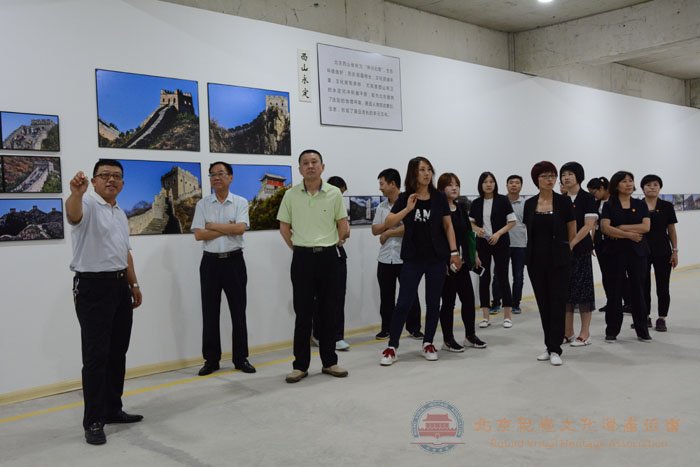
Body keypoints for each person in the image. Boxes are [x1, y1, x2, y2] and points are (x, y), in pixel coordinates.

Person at [66, 159, 144, 445]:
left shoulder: (120, 213)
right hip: (93, 287)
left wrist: (133, 284)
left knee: (117, 352)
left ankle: (112, 409)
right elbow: (73, 215)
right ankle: (94, 421)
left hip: (119, 285)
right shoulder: (86, 203)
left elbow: (125, 253)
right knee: (96, 357)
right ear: (95, 181)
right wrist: (75, 193)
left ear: (122, 183)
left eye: (117, 176)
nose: (111, 180)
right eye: (105, 175)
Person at [379, 157, 462, 366]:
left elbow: (448, 226)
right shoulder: (406, 197)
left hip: (436, 258)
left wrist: (453, 252)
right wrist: (407, 208)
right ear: (413, 173)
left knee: (433, 303)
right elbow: (388, 222)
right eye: (422, 170)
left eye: (429, 169)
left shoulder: (439, 197)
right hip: (412, 258)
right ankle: (392, 346)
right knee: (403, 303)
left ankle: (428, 343)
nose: (426, 173)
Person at [277, 149, 350, 383]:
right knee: (303, 314)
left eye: (314, 162)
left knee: (329, 311)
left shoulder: (334, 193)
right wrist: (300, 248)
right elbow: (284, 228)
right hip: (302, 259)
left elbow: (343, 225)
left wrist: (333, 243)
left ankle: (330, 362)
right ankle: (300, 366)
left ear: (322, 167)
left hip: (329, 258)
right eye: (305, 163)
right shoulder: (290, 195)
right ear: (300, 169)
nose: (310, 166)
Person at [192, 162, 255, 376]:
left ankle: (241, 358)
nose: (216, 178)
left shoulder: (240, 202)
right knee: (210, 312)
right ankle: (211, 360)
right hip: (210, 263)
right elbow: (199, 234)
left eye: (220, 173)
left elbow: (241, 229)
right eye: (212, 175)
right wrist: (228, 228)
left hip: (234, 262)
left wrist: (212, 226)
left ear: (230, 177)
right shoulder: (203, 204)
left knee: (238, 312)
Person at [523, 162, 575, 366]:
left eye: (553, 175)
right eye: (545, 176)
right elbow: (529, 232)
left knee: (557, 303)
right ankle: (549, 345)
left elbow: (572, 230)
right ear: (536, 179)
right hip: (535, 260)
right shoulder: (530, 204)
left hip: (559, 260)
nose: (550, 179)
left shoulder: (563, 201)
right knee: (543, 304)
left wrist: (567, 251)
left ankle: (556, 348)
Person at [600, 171, 652, 343]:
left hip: (638, 252)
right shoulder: (609, 205)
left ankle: (642, 330)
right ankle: (612, 330)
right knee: (614, 292)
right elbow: (605, 228)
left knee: (638, 291)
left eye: (630, 180)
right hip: (615, 253)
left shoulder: (640, 204)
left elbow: (646, 227)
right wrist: (629, 234)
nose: (628, 184)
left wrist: (621, 228)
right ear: (616, 185)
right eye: (624, 181)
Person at [437, 172, 487, 351]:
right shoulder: (438, 210)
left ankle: (470, 336)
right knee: (448, 302)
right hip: (447, 264)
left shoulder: (461, 208)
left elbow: (467, 234)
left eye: (456, 184)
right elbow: (437, 239)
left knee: (468, 300)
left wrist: (475, 255)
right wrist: (445, 261)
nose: (454, 188)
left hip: (462, 263)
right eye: (450, 185)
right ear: (441, 188)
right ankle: (448, 340)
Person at [371, 168, 423, 340]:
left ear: (392, 184)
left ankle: (414, 328)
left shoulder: (410, 202)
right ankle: (387, 328)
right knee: (386, 296)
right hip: (385, 258)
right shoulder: (381, 207)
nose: (380, 188)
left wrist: (387, 232)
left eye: (382, 184)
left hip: (405, 257)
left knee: (410, 295)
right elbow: (374, 229)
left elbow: (411, 227)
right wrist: (391, 224)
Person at [469, 172, 516, 328]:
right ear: (480, 185)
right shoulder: (476, 203)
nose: (489, 184)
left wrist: (498, 234)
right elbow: (470, 223)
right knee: (484, 278)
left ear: (495, 184)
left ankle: (507, 316)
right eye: (485, 182)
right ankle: (485, 317)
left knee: (502, 277)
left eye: (491, 181)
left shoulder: (503, 200)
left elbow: (512, 222)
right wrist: (477, 229)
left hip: (501, 242)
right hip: (483, 244)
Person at [560, 162, 598, 347]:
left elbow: (589, 225)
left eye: (570, 174)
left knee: (583, 292)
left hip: (581, 250)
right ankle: (568, 332)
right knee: (565, 292)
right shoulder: (561, 199)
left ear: (578, 176)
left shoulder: (587, 198)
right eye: (563, 174)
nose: (566, 177)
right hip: (563, 252)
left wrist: (572, 243)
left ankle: (585, 333)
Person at [312, 175, 351, 350]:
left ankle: (336, 336)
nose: (341, 196)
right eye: (340, 193)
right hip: (320, 255)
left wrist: (338, 233)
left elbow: (346, 232)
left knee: (338, 297)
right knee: (320, 298)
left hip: (337, 254)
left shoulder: (339, 207)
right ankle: (319, 334)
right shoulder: (319, 206)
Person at [640, 174, 678, 332]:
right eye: (648, 185)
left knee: (663, 286)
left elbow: (671, 229)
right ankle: (645, 316)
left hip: (663, 251)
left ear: (660, 187)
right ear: (643, 188)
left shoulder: (667, 206)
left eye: (655, 184)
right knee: (643, 286)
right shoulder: (638, 205)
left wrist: (675, 251)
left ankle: (662, 318)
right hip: (641, 250)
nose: (652, 187)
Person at [490, 175, 527, 315]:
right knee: (498, 276)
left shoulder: (525, 204)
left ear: (521, 186)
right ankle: (496, 303)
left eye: (517, 183)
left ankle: (515, 304)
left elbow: (528, 225)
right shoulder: (499, 201)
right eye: (511, 182)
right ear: (506, 185)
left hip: (520, 245)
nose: (514, 185)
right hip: (502, 244)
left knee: (518, 276)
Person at [586, 177, 613, 312]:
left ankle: (627, 301)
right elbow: (594, 225)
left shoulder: (615, 201)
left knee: (617, 274)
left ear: (602, 188)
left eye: (594, 192)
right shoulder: (596, 204)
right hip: (599, 242)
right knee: (605, 273)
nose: (593, 196)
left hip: (613, 241)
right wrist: (592, 241)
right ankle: (611, 301)